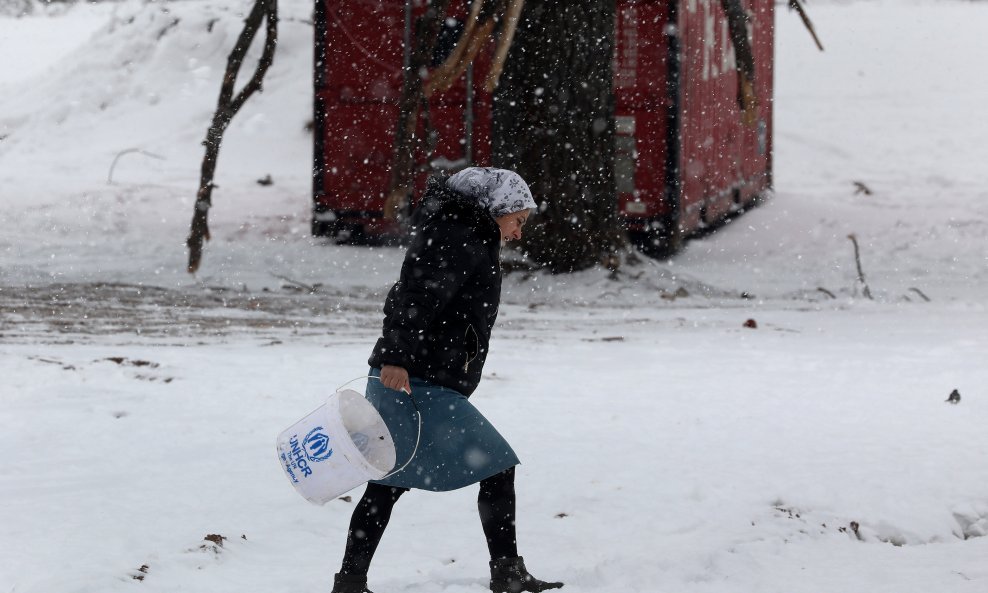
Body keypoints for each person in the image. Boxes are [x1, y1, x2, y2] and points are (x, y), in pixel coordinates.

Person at [331, 168, 563, 593]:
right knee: (495, 466)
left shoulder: (465, 233)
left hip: (422, 378)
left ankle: (350, 583)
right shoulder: (458, 235)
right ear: (496, 207)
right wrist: (396, 357)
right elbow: (413, 297)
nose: (518, 231)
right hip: (414, 381)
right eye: (517, 219)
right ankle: (507, 573)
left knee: (388, 484)